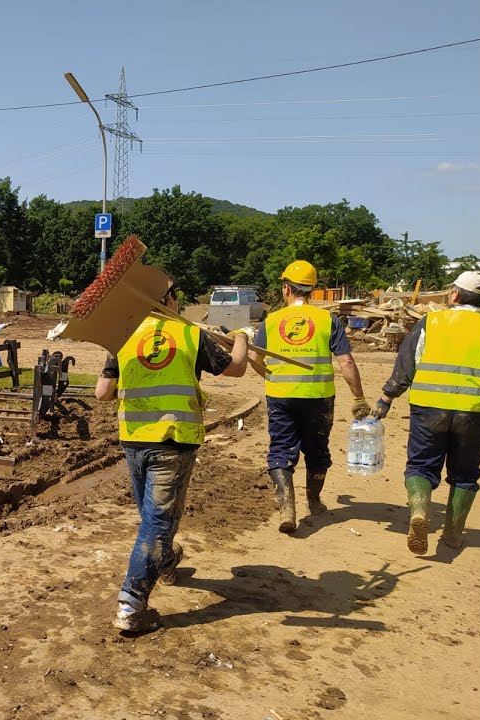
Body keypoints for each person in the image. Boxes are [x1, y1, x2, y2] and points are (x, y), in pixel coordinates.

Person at [95, 280, 250, 632]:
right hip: (173, 441)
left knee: (153, 521)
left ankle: (165, 561)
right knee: (156, 525)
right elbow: (236, 368)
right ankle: (131, 606)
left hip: (134, 440)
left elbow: (102, 392)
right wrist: (241, 338)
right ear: (168, 299)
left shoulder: (124, 337)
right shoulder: (189, 335)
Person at [248, 260, 370, 534]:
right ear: (312, 291)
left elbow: (254, 359)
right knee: (317, 451)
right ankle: (313, 501)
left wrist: (270, 376)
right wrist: (359, 398)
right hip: (319, 398)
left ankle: (286, 509)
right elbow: (347, 362)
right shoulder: (328, 321)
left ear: (286, 288)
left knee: (281, 450)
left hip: (280, 397)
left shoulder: (272, 320)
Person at [371, 271, 480, 554]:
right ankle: (452, 534)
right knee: (466, 474)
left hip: (428, 408)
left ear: (455, 295)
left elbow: (407, 365)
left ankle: (420, 512)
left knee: (421, 465)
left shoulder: (431, 322)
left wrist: (386, 397)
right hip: (476, 412)